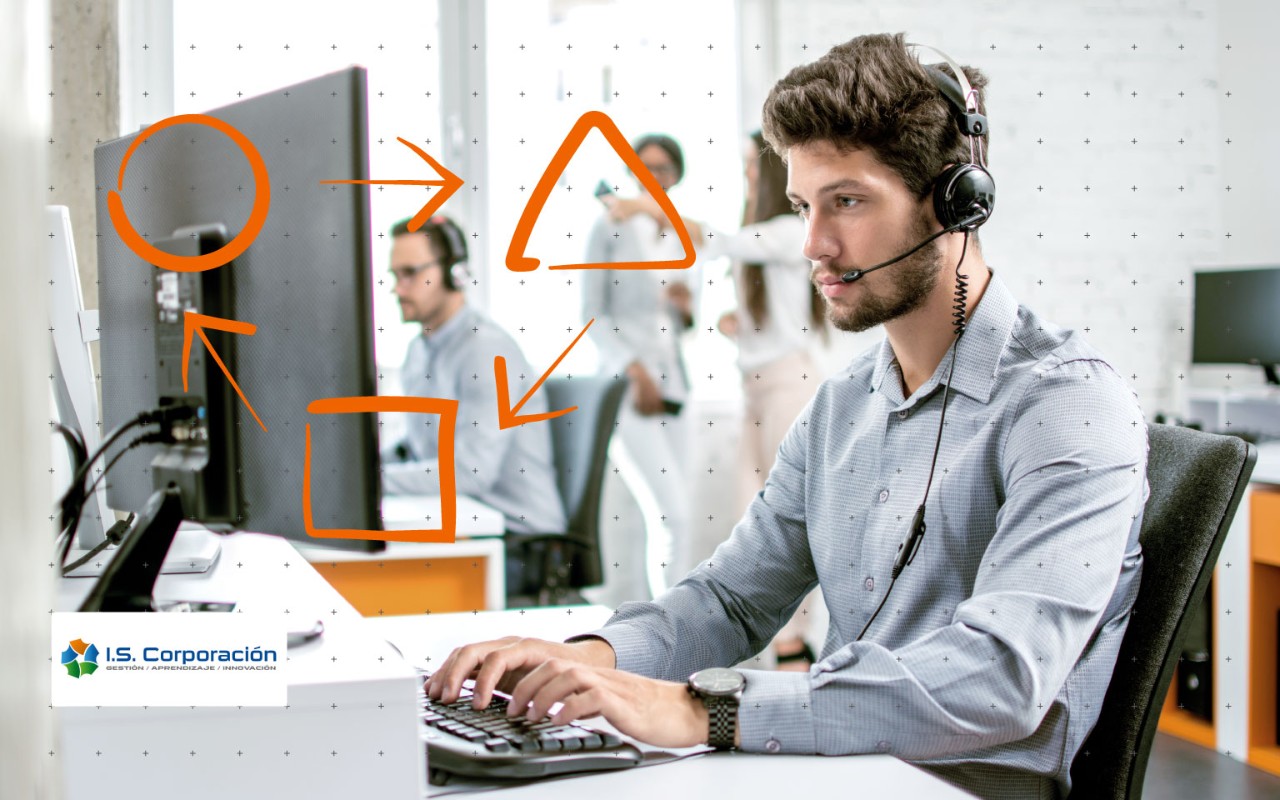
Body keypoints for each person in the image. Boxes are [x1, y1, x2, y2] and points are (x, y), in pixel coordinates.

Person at [425, 34, 1145, 800]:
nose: (813, 245)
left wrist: (708, 711)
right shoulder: (843, 406)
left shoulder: (1066, 405)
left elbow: (1001, 678)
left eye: (848, 201)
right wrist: (589, 657)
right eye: (804, 205)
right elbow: (732, 598)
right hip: (839, 771)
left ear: (955, 200)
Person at [379, 214, 567, 597]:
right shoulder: (420, 350)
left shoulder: (486, 351)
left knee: (388, 588)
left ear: (455, 273)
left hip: (520, 544)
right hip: (469, 526)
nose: (399, 288)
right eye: (394, 275)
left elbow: (470, 472)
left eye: (411, 273)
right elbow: (416, 449)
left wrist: (369, 484)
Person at [581, 134, 698, 602]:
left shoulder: (681, 232)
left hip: (679, 387)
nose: (653, 176)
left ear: (676, 175)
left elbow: (685, 323)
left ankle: (671, 621)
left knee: (679, 517)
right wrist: (633, 369)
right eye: (643, 167)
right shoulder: (608, 227)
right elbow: (592, 315)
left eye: (663, 168)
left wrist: (686, 309)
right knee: (673, 516)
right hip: (629, 388)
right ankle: (670, 629)